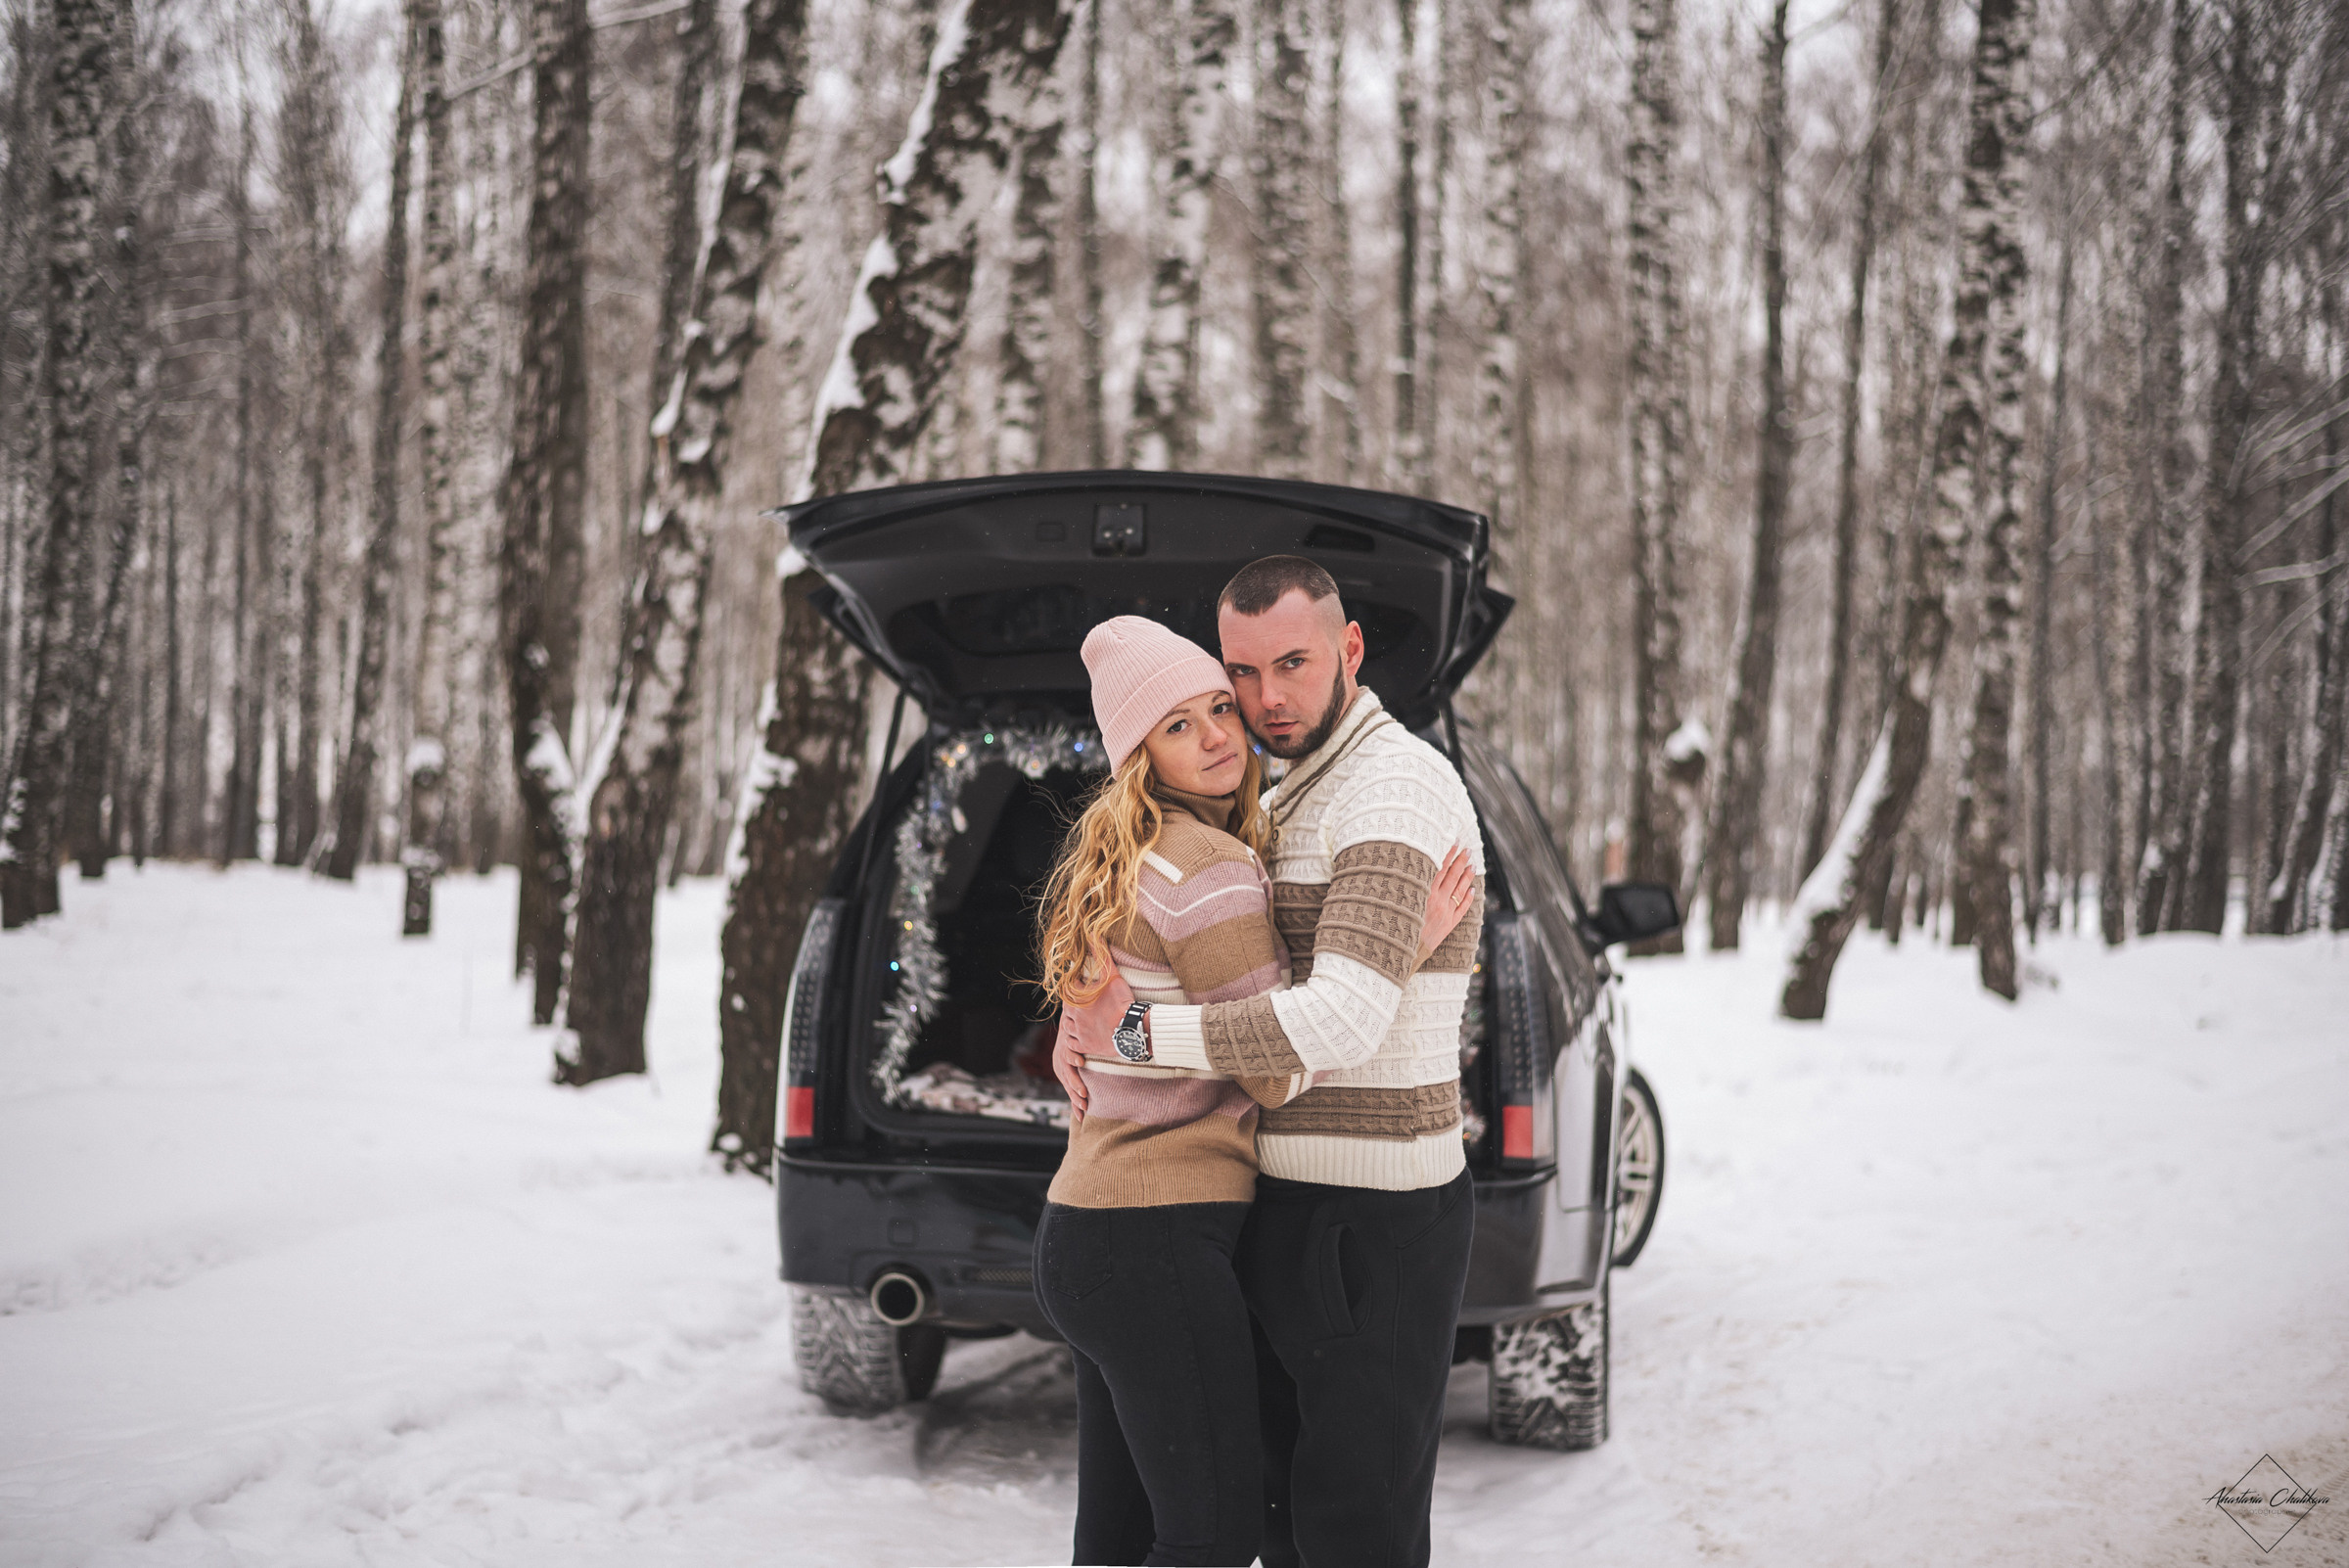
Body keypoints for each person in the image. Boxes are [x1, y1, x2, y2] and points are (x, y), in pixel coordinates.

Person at [1055, 558, 1487, 1568]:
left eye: (1289, 664)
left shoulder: (1392, 788)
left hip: (1366, 1218)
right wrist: (1097, 1043)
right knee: (1279, 1521)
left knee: (1350, 1528)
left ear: (1349, 650)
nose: (1262, 702)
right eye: (1240, 675)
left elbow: (1337, 1021)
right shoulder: (1280, 797)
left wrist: (1133, 1043)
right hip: (1266, 1206)